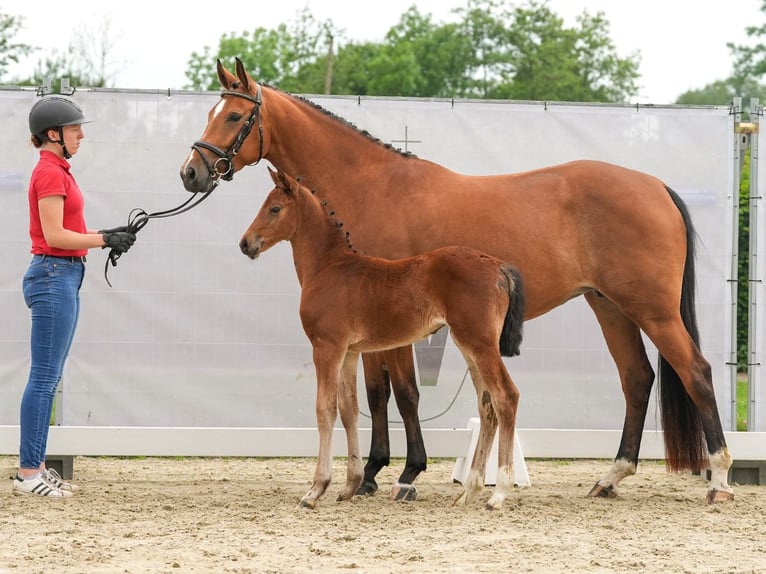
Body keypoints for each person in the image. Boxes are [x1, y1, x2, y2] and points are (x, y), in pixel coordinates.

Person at [13, 94, 136, 497]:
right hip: (53, 275)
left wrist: (105, 237)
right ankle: (29, 473)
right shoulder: (50, 173)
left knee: (48, 376)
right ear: (53, 134)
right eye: (74, 128)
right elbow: (54, 236)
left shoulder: (58, 169)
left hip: (62, 275)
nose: (81, 134)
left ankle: (36, 467)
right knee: (44, 378)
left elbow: (67, 232)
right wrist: (104, 239)